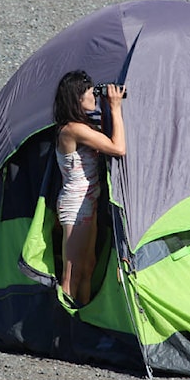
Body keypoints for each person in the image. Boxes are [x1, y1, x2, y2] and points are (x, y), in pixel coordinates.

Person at [53, 70, 126, 307]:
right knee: (72, 274)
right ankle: (62, 330)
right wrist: (114, 107)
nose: (93, 96)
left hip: (88, 203)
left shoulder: (81, 127)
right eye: (89, 92)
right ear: (77, 98)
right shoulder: (73, 129)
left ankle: (81, 317)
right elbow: (118, 148)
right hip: (77, 207)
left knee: (87, 267)